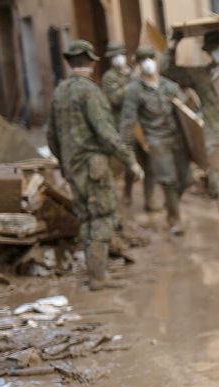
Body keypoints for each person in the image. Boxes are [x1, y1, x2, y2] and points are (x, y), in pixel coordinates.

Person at [47, 40, 145, 290]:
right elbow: (105, 132)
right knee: (102, 217)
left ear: (69, 62)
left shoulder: (60, 92)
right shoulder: (90, 91)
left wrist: (63, 162)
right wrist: (129, 160)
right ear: (91, 62)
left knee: (86, 219)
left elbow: (51, 135)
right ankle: (98, 277)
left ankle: (96, 273)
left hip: (72, 167)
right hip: (94, 167)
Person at [162, 28, 219, 268]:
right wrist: (173, 46)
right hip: (218, 144)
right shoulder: (200, 76)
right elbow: (167, 71)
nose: (218, 52)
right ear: (207, 52)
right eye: (212, 49)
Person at [119, 47, 192, 235]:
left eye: (150, 58)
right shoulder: (134, 90)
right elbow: (128, 121)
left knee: (186, 179)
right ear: (139, 64)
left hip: (177, 138)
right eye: (143, 59)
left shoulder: (169, 86)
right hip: (156, 139)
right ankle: (175, 219)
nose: (148, 62)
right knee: (167, 180)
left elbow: (186, 111)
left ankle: (170, 204)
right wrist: (126, 151)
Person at [101, 40, 154, 210]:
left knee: (148, 161)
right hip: (124, 125)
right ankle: (127, 193)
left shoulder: (132, 73)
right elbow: (115, 99)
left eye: (121, 55)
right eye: (115, 56)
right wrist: (133, 84)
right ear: (111, 58)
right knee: (130, 162)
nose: (119, 58)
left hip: (141, 123)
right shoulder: (109, 78)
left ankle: (149, 200)